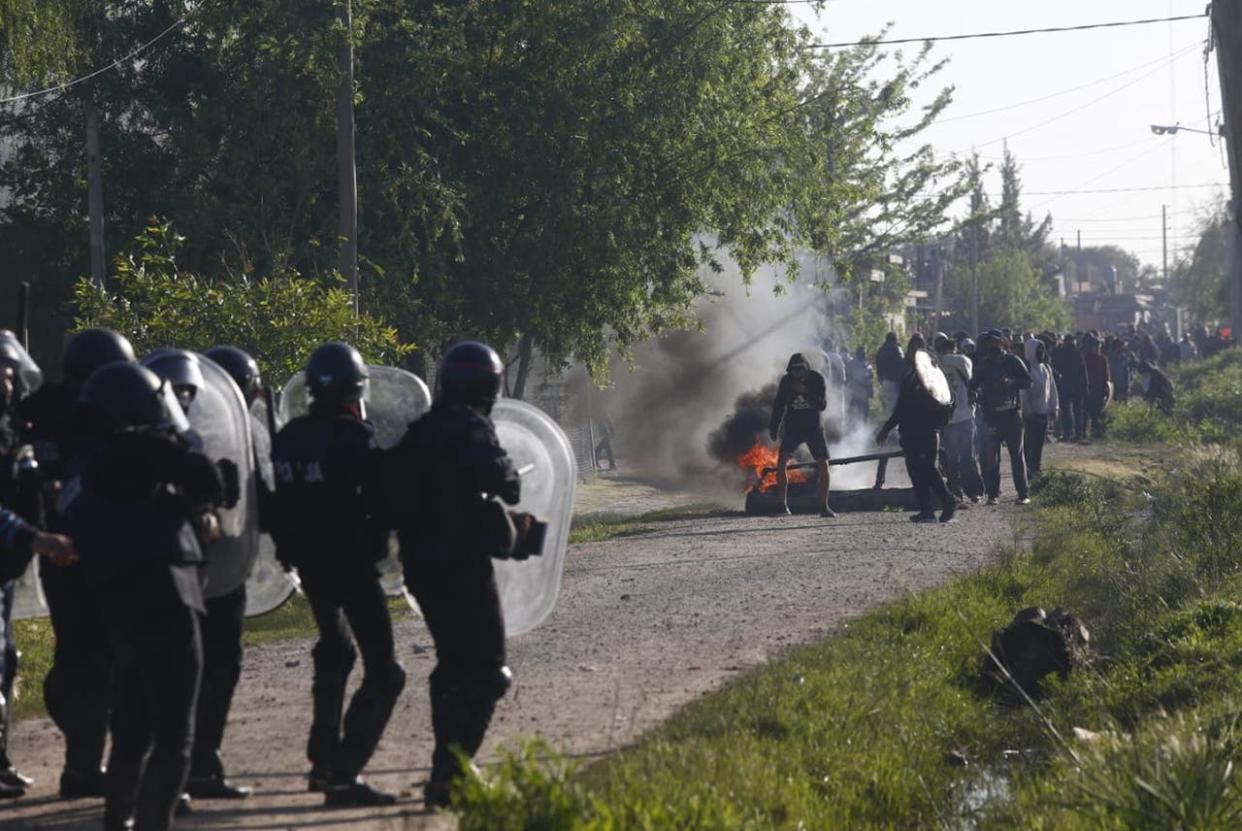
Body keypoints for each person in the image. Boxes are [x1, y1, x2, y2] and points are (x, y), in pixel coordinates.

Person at [63, 362, 229, 831]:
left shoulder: (84, 463)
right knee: (176, 732)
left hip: (116, 603)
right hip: (170, 594)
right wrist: (186, 502)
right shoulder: (145, 446)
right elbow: (210, 481)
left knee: (132, 728)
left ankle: (119, 822)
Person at [385, 341, 541, 808]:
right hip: (463, 567)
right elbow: (508, 484)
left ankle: (444, 775)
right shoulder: (473, 429)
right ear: (490, 387)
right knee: (491, 672)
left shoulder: (420, 430)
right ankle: (453, 770)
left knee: (451, 665)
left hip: (421, 570)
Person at [269, 342, 406, 807]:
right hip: (352, 569)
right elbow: (384, 501)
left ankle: (323, 756)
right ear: (353, 391)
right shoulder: (355, 438)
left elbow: (277, 507)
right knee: (385, 672)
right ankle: (343, 774)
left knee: (336, 649)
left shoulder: (287, 439)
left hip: (311, 571)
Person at [15, 328, 135, 798]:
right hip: (86, 552)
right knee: (95, 659)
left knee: (81, 656)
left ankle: (84, 759)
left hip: (57, 553)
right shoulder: (95, 414)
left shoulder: (36, 410)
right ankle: (83, 767)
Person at [876, 342, 955, 523]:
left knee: (928, 469)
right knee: (915, 471)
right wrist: (886, 429)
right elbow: (901, 409)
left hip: (927, 431)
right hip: (910, 433)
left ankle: (948, 500)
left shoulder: (933, 379)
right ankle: (926, 510)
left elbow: (943, 402)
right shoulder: (909, 378)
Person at [768, 354, 834, 518]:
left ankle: (824, 506)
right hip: (793, 427)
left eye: (799, 370)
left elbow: (822, 405)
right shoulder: (786, 381)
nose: (796, 373)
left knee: (823, 463)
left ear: (806, 369)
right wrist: (774, 428)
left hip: (813, 427)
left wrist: (806, 392)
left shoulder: (816, 379)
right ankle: (782, 505)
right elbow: (779, 405)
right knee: (782, 461)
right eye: (793, 370)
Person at [971, 331, 1032, 506]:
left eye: (996, 342)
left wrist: (1011, 382)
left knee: (1017, 456)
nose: (993, 346)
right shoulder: (984, 364)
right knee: (991, 458)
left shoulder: (1012, 361)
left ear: (1003, 343)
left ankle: (1022, 493)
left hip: (1012, 415)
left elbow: (1028, 382)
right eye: (989, 342)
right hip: (991, 416)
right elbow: (973, 384)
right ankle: (993, 494)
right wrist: (974, 393)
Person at [935, 337, 983, 504]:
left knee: (951, 458)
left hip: (947, 419)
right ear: (955, 348)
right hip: (965, 416)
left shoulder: (936, 364)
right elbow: (972, 380)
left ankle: (956, 492)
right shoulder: (963, 361)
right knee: (967, 456)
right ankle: (973, 491)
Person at [1021, 339, 1059, 479]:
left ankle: (1035, 470)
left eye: (1042, 350)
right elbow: (1023, 393)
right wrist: (1027, 410)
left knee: (1038, 445)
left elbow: (1053, 389)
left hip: (1043, 413)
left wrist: (1054, 407)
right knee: (1029, 445)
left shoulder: (1046, 369)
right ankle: (1027, 472)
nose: (1041, 353)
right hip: (1031, 414)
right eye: (1039, 350)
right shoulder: (1027, 369)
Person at [1051, 335, 1087, 442]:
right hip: (1076, 386)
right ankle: (1077, 434)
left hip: (1065, 385)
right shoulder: (1077, 353)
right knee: (1077, 411)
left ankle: (1068, 433)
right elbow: (1083, 371)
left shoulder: (1061, 353)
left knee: (1067, 411)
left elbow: (1055, 369)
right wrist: (1085, 385)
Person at [1082, 336, 1112, 440]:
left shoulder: (1103, 359)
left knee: (1097, 413)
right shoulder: (1086, 358)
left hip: (1099, 390)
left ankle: (1096, 433)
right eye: (1096, 346)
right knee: (1086, 412)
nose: (1097, 348)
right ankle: (1083, 432)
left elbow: (1106, 375)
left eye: (1099, 346)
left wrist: (1106, 388)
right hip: (1088, 389)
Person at [875, 333, 905, 416]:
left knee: (887, 407)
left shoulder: (881, 350)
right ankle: (894, 427)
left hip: (884, 382)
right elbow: (902, 363)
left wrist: (880, 379)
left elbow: (878, 365)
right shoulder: (896, 349)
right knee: (895, 407)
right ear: (894, 339)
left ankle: (888, 425)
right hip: (895, 382)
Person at [845, 347, 874, 426]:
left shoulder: (867, 365)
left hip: (861, 393)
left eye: (864, 354)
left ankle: (861, 428)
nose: (863, 355)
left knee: (862, 413)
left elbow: (870, 378)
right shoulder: (852, 364)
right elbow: (847, 377)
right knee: (854, 413)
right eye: (862, 354)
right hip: (856, 392)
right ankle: (852, 428)